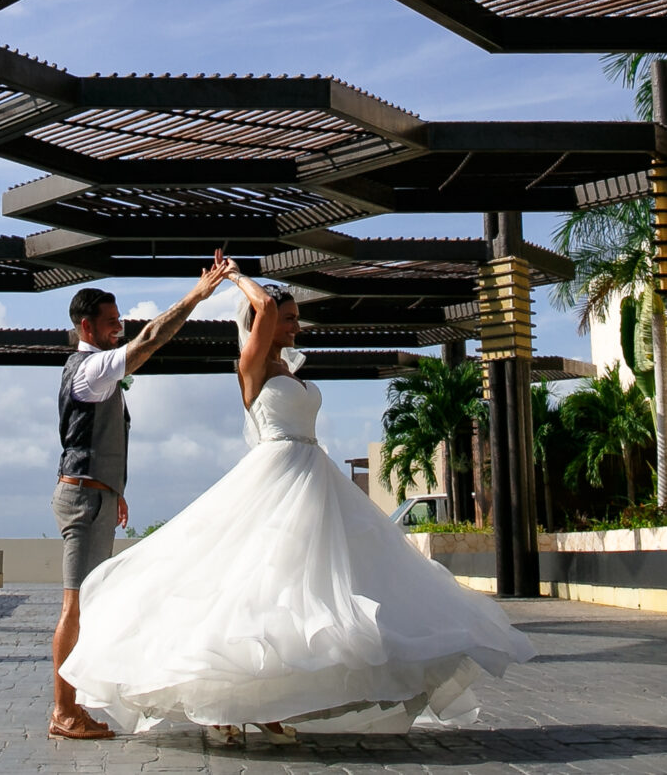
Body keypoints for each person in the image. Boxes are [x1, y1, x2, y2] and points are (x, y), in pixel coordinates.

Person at [59, 253, 534, 745]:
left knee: (289, 595)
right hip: (275, 477)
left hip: (314, 480)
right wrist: (237, 278)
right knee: (257, 589)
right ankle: (220, 707)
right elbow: (262, 307)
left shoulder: (286, 367)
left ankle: (264, 702)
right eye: (288, 318)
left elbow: (270, 317)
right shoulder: (250, 367)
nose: (294, 324)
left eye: (294, 318)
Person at [49, 262, 230, 740]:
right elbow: (150, 338)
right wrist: (196, 297)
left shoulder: (95, 371)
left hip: (95, 494)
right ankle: (63, 712)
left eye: (119, 318)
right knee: (75, 605)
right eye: (111, 320)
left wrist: (115, 490)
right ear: (87, 327)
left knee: (84, 603)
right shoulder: (90, 368)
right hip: (84, 499)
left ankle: (72, 708)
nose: (120, 325)